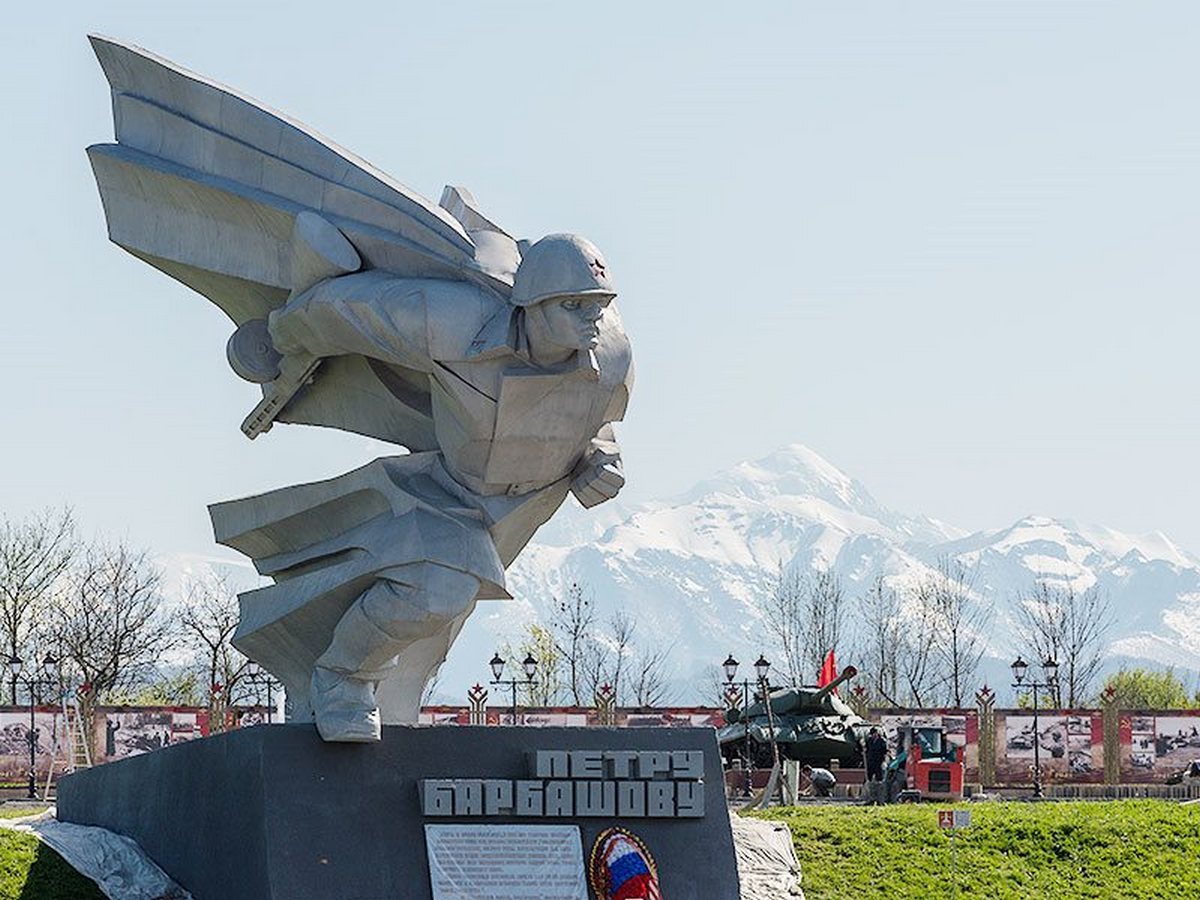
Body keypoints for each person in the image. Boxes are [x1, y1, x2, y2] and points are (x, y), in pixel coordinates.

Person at [215, 234, 634, 742]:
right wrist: (280, 337)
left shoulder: (612, 356)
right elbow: (347, 309)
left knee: (434, 633)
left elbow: (599, 428)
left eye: (600, 304)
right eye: (575, 304)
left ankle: (384, 707)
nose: (593, 317)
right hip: (446, 491)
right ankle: (340, 678)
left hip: (526, 503)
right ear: (533, 304)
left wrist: (599, 463)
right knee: (439, 591)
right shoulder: (453, 320)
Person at [864, 727, 888, 804]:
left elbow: (884, 752)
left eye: (874, 734)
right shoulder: (869, 740)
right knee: (869, 781)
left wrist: (883, 761)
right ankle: (871, 799)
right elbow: (867, 750)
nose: (872, 736)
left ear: (877, 733)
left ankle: (880, 800)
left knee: (879, 781)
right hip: (870, 763)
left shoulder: (882, 741)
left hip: (879, 763)